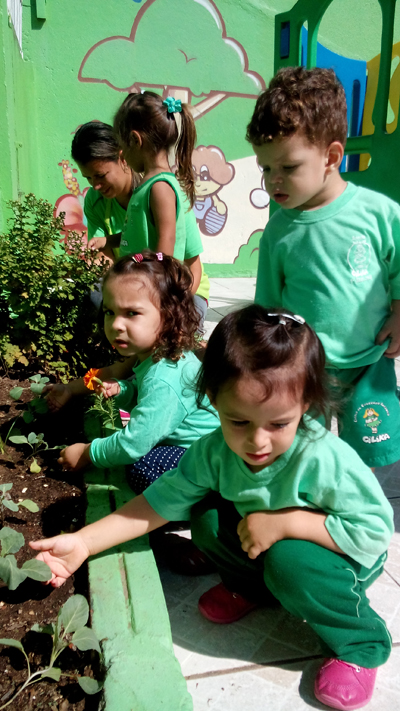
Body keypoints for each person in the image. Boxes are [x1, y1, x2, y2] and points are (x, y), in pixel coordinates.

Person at [31, 306, 393, 711]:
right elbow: (157, 504)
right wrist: (83, 543)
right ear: (213, 399)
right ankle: (254, 587)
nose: (257, 441)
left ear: (306, 403)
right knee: (207, 517)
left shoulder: (324, 459)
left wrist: (286, 523)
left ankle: (361, 643)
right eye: (238, 421)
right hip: (266, 541)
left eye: (278, 424)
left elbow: (374, 532)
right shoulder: (213, 453)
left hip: (340, 558)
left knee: (290, 561)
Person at [247, 66, 400, 469]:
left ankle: (363, 505)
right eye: (265, 168)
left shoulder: (378, 214)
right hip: (302, 368)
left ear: (331, 157)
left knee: (373, 457)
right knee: (297, 456)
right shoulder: (278, 231)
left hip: (369, 363)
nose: (273, 181)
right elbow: (268, 306)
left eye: (288, 167)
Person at [53, 251, 218, 494]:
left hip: (209, 458)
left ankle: (205, 500)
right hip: (201, 448)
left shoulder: (166, 374)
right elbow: (148, 396)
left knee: (142, 468)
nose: (116, 325)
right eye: (109, 312)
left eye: (132, 313)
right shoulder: (158, 355)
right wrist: (124, 390)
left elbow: (134, 443)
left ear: (169, 316)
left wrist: (88, 452)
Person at [97, 91, 210, 328]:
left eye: (122, 147)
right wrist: (108, 241)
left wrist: (158, 295)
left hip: (154, 292)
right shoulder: (149, 186)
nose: (123, 156)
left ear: (135, 140)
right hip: (143, 289)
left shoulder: (160, 187)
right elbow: (137, 234)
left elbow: (166, 241)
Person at [71, 120, 140, 263]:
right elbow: (103, 259)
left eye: (101, 175)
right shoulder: (94, 200)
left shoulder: (154, 193)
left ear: (123, 158)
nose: (95, 186)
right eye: (88, 178)